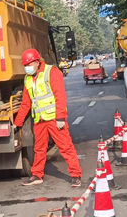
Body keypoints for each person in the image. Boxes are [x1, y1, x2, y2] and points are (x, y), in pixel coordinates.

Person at [13, 48, 83, 188]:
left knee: (66, 147)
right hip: (39, 120)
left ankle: (76, 175)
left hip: (54, 119)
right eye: (25, 66)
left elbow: (60, 96)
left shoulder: (52, 72)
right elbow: (26, 103)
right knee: (39, 149)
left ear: (37, 62)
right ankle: (37, 175)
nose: (27, 68)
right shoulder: (28, 78)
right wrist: (17, 122)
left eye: (29, 65)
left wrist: (61, 118)